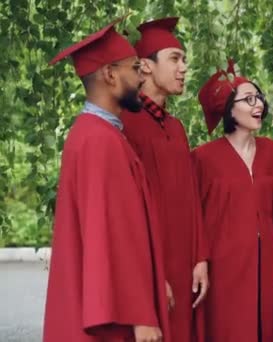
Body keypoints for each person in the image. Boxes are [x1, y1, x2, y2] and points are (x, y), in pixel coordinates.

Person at [44, 19, 169, 342]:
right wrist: (141, 314)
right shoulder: (99, 141)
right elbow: (112, 234)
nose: (143, 76)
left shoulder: (99, 134)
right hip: (116, 318)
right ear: (110, 74)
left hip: (115, 306)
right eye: (134, 68)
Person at [121, 17, 209, 342]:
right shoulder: (124, 127)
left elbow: (191, 197)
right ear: (144, 66)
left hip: (185, 265)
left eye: (184, 59)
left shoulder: (176, 129)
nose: (183, 67)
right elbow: (127, 214)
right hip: (149, 262)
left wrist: (200, 257)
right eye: (175, 58)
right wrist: (151, 276)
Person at [192, 60, 273, 342]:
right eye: (248, 99)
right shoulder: (202, 158)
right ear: (228, 108)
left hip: (270, 269)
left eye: (258, 96)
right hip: (223, 272)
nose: (258, 103)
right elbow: (193, 219)